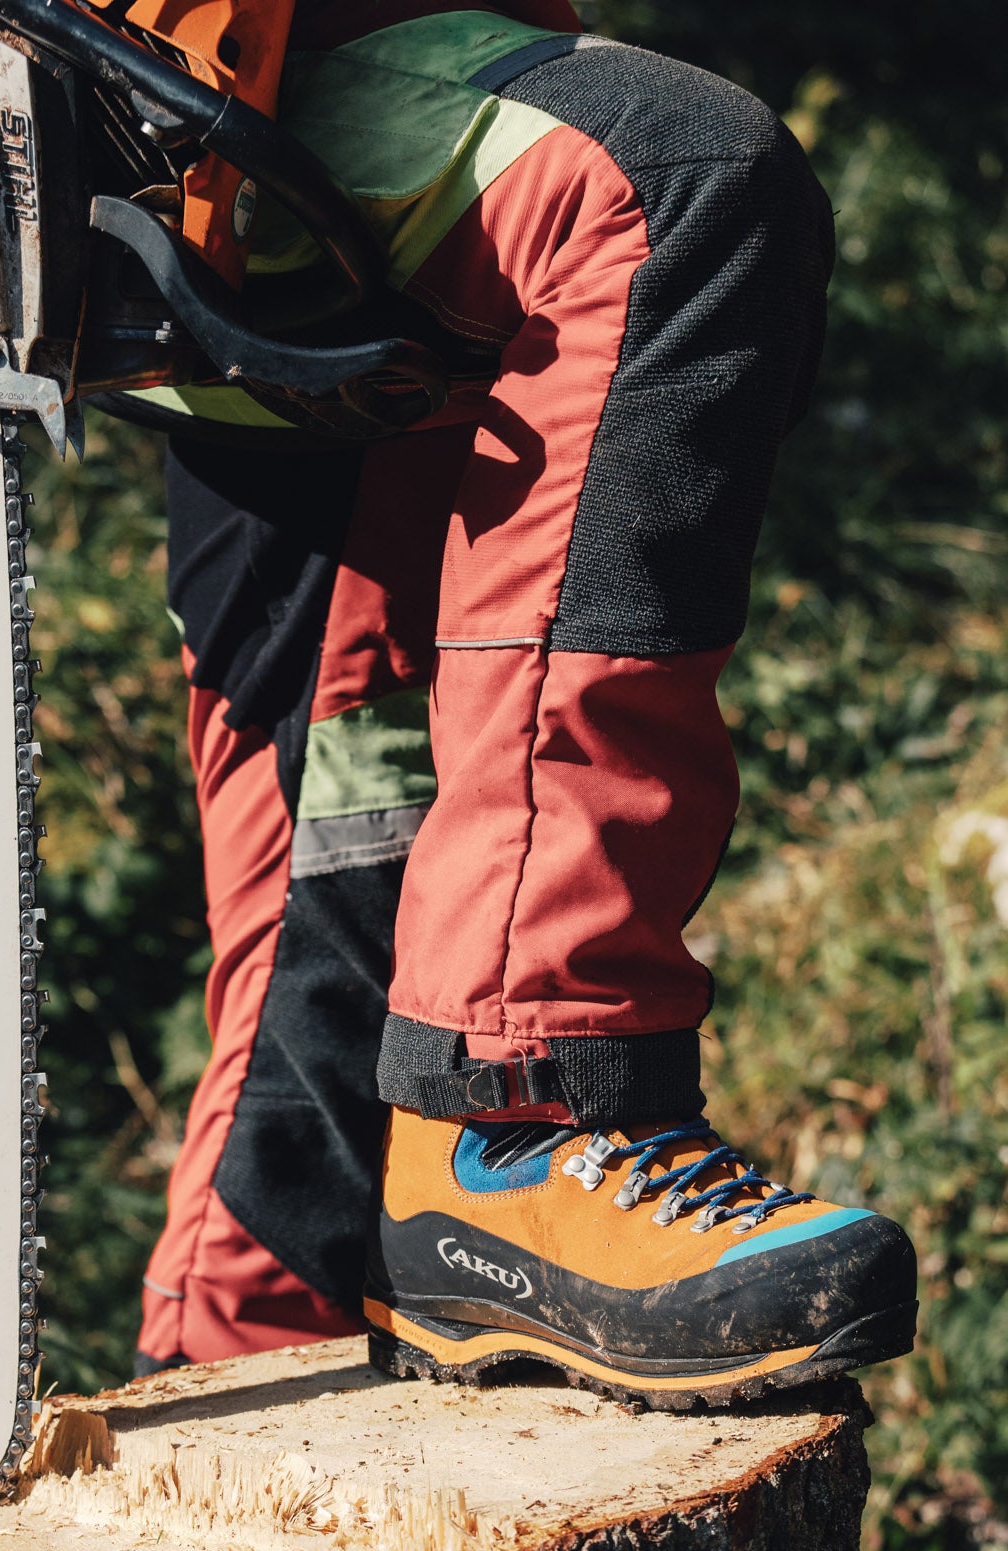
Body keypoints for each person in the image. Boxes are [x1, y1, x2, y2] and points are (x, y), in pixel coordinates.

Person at [117, 0, 918, 1405]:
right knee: (654, 183)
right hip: (167, 84)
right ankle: (522, 1100)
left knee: (349, 834)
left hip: (263, 111)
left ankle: (247, 1351)